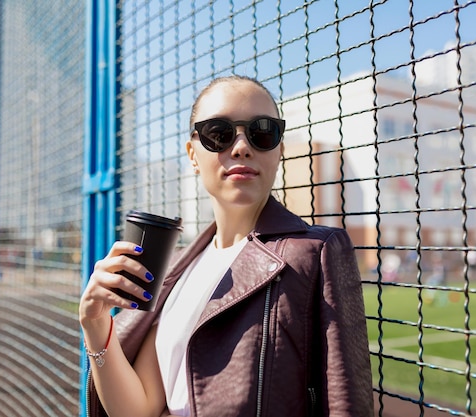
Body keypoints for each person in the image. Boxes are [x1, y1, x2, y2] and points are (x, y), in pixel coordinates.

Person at [80, 75, 373, 417]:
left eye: (262, 132)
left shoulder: (316, 252)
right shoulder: (176, 269)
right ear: (193, 154)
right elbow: (138, 409)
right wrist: (95, 324)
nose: (241, 147)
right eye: (218, 133)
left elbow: (345, 402)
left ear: (278, 151)